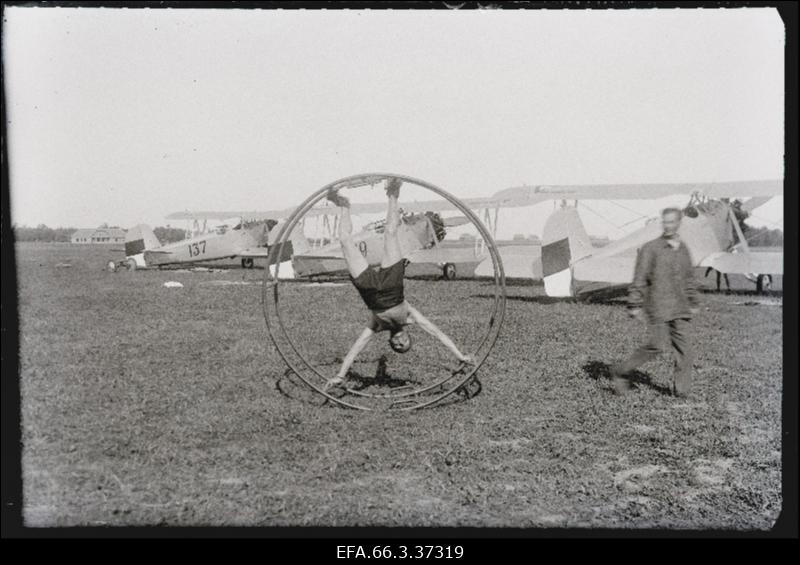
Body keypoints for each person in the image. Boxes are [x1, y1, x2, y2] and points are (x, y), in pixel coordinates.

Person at [325, 178, 473, 390]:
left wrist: (341, 375)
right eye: (405, 345)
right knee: (391, 233)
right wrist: (460, 355)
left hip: (367, 287)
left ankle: (344, 205)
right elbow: (437, 333)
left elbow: (357, 348)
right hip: (392, 284)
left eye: (397, 346)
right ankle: (393, 193)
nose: (400, 343)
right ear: (408, 337)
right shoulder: (410, 317)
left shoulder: (377, 325)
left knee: (344, 241)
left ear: (391, 342)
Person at [611, 207, 700, 397]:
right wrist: (634, 304)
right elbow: (639, 277)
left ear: (679, 223)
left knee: (685, 350)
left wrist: (693, 300)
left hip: (681, 307)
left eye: (671, 222)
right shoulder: (650, 248)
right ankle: (620, 371)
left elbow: (689, 277)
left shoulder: (683, 248)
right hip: (658, 306)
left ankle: (681, 392)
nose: (667, 226)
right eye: (665, 222)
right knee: (657, 345)